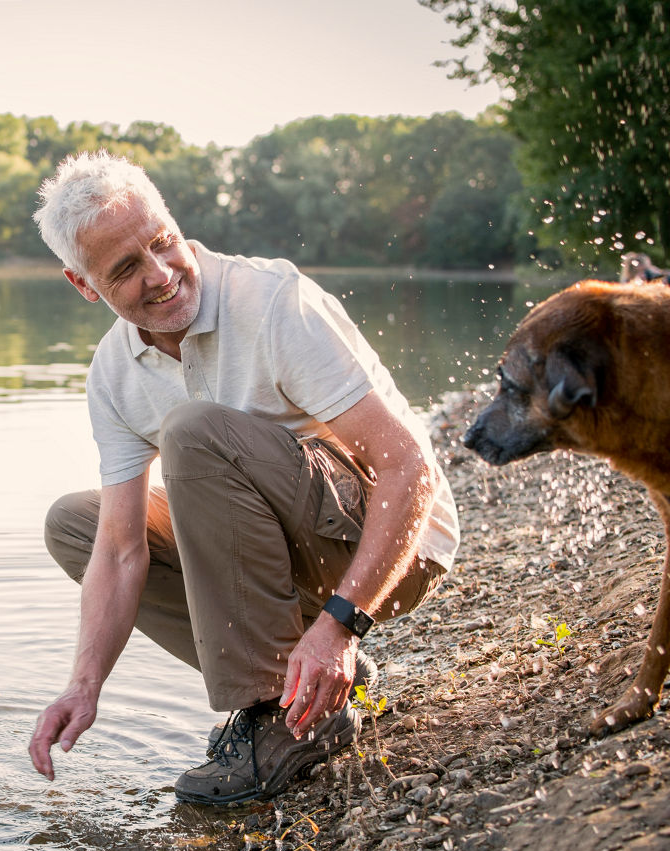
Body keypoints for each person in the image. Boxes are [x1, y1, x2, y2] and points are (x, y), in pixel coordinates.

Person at [26, 151, 460, 806]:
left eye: (162, 242)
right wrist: (83, 684)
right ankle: (289, 694)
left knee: (193, 432)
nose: (163, 275)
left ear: (172, 220)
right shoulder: (113, 374)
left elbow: (410, 468)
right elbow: (119, 552)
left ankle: (285, 723)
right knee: (78, 526)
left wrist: (341, 623)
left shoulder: (273, 301)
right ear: (84, 286)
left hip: (397, 547)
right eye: (126, 269)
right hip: (295, 546)